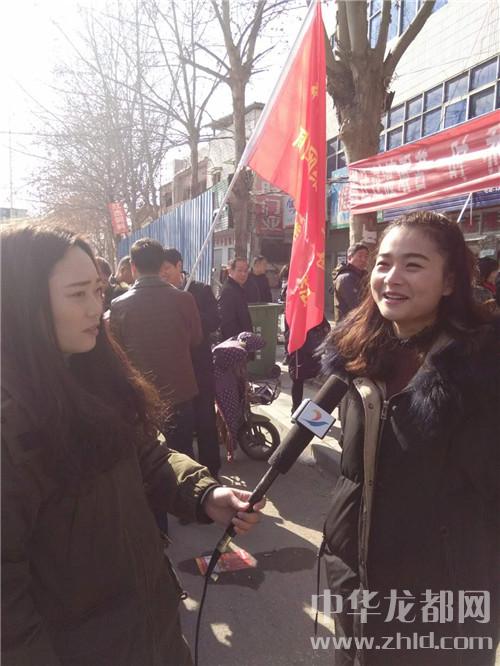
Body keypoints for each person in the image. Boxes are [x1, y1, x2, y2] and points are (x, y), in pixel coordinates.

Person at [1, 224, 264, 666]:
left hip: (153, 630)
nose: (96, 308)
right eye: (77, 294)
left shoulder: (93, 375)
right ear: (21, 302)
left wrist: (205, 493)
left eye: (98, 291)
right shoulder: (12, 423)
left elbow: (148, 456)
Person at [320, 212, 499, 666]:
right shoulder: (355, 358)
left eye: (413, 265)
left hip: (444, 605)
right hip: (354, 584)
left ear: (449, 280)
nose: (391, 278)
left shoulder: (485, 368)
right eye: (383, 264)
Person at [109, 238, 202, 459]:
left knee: (149, 457)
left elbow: (117, 351)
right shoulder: (185, 299)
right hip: (180, 391)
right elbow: (196, 339)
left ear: (133, 267)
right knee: (183, 454)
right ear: (161, 265)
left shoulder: (119, 305)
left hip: (142, 396)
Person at [162, 248, 221, 477]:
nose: (163, 273)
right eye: (160, 269)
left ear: (179, 266)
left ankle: (212, 470)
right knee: (181, 426)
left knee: (205, 419)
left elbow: (214, 321)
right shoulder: (161, 295)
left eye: (167, 268)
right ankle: (188, 474)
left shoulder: (200, 290)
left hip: (200, 367)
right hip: (175, 370)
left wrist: (190, 314)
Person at [218, 257, 253, 341]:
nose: (243, 274)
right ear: (230, 271)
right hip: (235, 342)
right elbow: (227, 322)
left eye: (245, 271)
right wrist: (237, 341)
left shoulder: (238, 288)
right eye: (239, 270)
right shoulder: (228, 291)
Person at [332, 243, 369, 321]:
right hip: (349, 324)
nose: (363, 260)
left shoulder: (363, 275)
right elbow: (357, 306)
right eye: (360, 256)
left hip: (361, 322)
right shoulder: (346, 278)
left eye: (366, 257)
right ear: (349, 258)